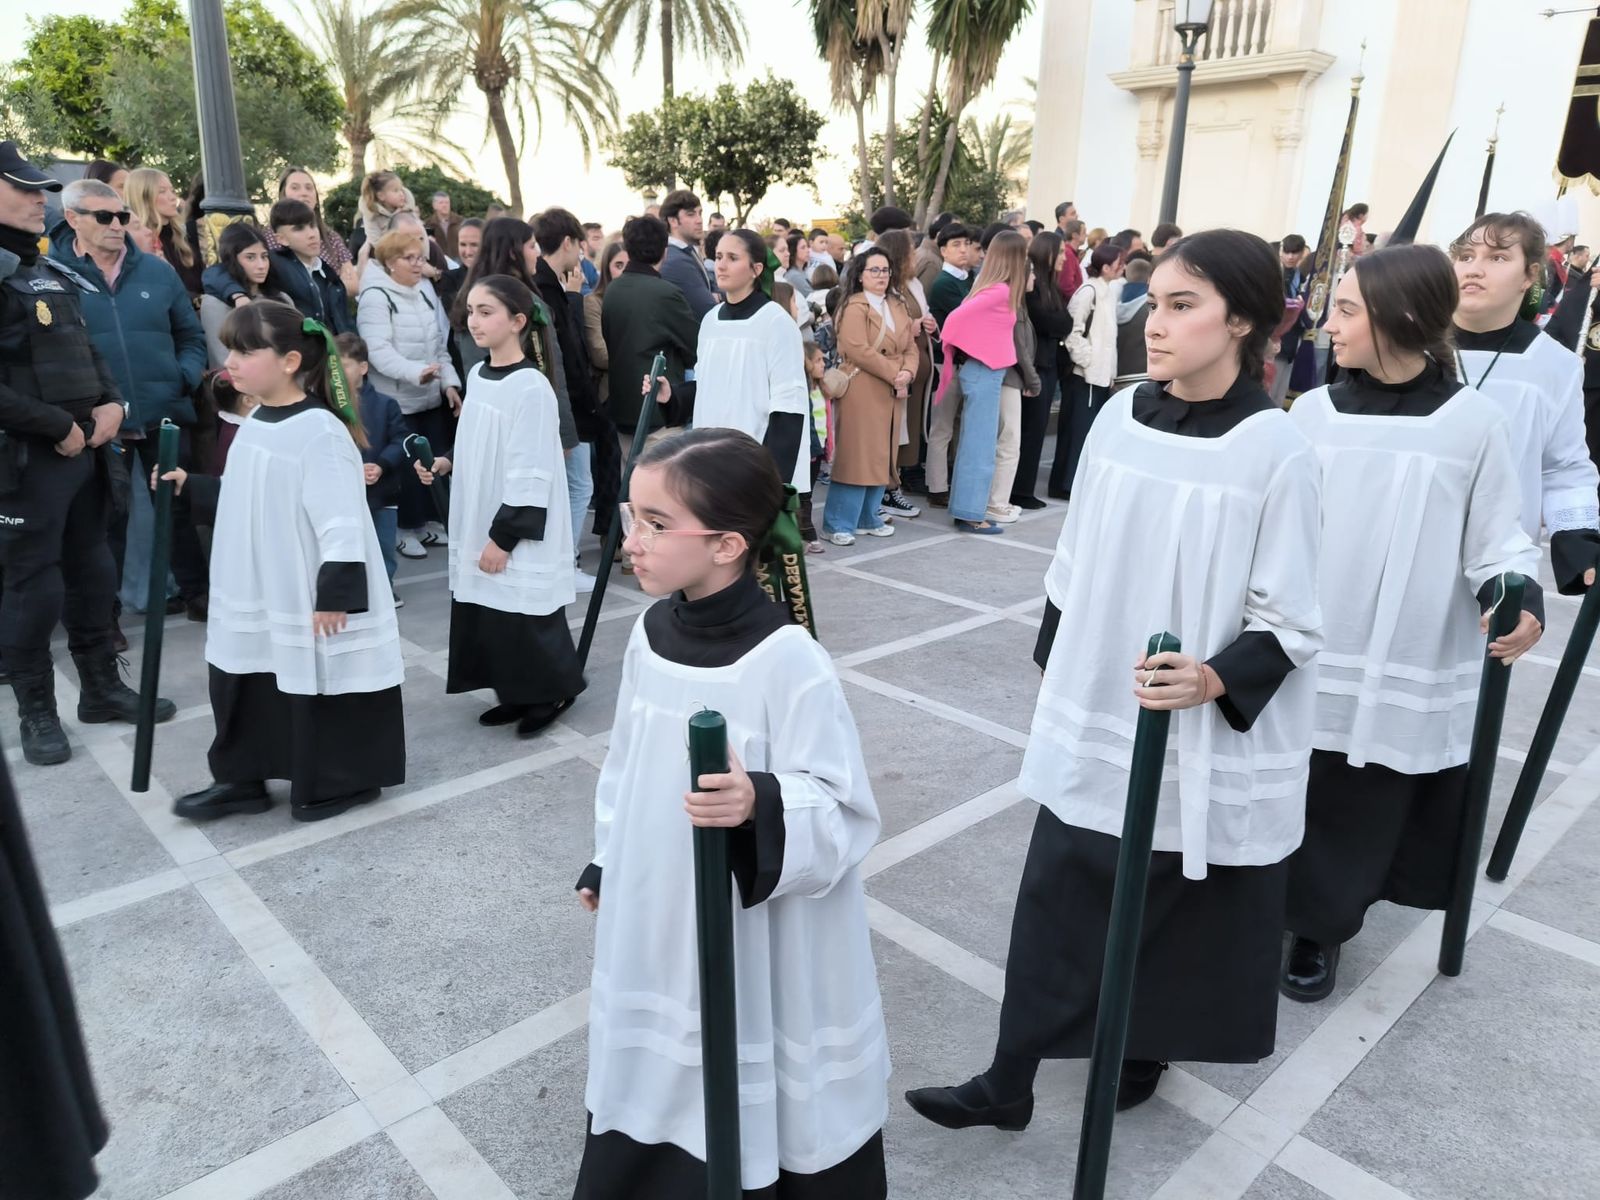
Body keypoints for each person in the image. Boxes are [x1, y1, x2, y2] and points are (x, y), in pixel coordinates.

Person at [906, 229, 1322, 1128]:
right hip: (1100, 702)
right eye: (1154, 302)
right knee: (1060, 890)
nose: (1154, 323)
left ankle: (1138, 1042)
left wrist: (1213, 679)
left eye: (1183, 306)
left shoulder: (1276, 449)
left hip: (1190, 717)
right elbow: (1077, 555)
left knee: (1169, 898)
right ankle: (1009, 1079)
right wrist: (1061, 675)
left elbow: (1292, 616)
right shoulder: (1122, 415)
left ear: (1242, 321)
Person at [572, 427, 889, 1199]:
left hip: (756, 926)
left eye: (656, 523)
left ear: (726, 545)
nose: (631, 541)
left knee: (744, 1041)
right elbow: (628, 764)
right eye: (632, 516)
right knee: (659, 1054)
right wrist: (608, 857)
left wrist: (760, 801)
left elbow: (844, 808)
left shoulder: (789, 660)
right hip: (658, 905)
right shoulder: (650, 632)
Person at [1281, 244, 1543, 1001]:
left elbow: (1497, 537)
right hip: (1310, 632)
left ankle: (1321, 927)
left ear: (1398, 318)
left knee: (1359, 793)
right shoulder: (1313, 412)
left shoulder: (1472, 422)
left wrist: (1516, 593)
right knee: (1291, 778)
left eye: (1346, 310)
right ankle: (1268, 907)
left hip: (1403, 641)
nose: (1330, 324)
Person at [162, 303, 405, 822]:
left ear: (290, 361)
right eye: (230, 350)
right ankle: (241, 777)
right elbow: (246, 493)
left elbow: (341, 520)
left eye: (246, 351)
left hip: (303, 586)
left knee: (318, 677)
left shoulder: (320, 431)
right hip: (254, 581)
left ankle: (344, 780)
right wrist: (192, 487)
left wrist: (335, 594)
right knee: (244, 671)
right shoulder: (257, 420)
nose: (231, 362)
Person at [0, 143, 172, 766]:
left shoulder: (47, 270)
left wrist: (112, 405)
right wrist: (56, 426)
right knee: (33, 592)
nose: (37, 199)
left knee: (94, 574)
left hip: (87, 455)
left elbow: (87, 352)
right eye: (22, 188)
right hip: (26, 463)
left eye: (40, 189)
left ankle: (100, 689)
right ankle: (37, 713)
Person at [414, 275, 586, 736]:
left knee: (525, 613)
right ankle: (515, 692)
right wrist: (447, 461)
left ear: (517, 321)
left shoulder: (531, 387)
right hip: (480, 512)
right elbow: (476, 436)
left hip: (514, 523)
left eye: (486, 312)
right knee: (493, 613)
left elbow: (532, 469)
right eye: (470, 311)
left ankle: (550, 693)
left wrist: (504, 537)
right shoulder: (477, 374)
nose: (474, 321)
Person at [51, 179, 211, 625]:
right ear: (73, 219)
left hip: (163, 411)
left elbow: (191, 336)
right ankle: (104, 618)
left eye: (122, 216)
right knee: (105, 522)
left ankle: (199, 595)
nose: (117, 225)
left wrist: (180, 377)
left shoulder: (158, 272)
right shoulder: (54, 277)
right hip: (99, 422)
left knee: (177, 506)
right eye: (104, 217)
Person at [1450, 212, 1600, 592]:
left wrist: (1577, 543)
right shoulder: (1408, 349)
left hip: (1501, 564)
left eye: (1497, 257)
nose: (1475, 268)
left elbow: (1564, 467)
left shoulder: (1554, 364)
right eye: (1466, 256)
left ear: (1529, 275)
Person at [673, 228, 810, 496]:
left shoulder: (776, 322)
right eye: (718, 256)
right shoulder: (711, 320)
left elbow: (788, 405)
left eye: (733, 258)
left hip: (752, 466)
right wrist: (672, 396)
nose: (721, 265)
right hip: (710, 458)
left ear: (756, 269)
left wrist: (772, 480)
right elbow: (707, 386)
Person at [356, 228, 461, 559]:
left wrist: (448, 384)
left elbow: (439, 347)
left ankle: (427, 522)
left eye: (420, 258)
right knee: (402, 467)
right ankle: (404, 529)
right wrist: (416, 372)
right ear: (390, 262)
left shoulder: (424, 293)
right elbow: (377, 351)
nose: (418, 264)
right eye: (410, 258)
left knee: (428, 463)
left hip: (428, 396)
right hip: (397, 400)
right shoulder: (376, 297)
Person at [531, 207, 609, 591]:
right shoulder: (547, 290)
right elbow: (567, 351)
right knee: (578, 486)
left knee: (570, 487)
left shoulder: (546, 286)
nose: (581, 253)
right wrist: (574, 299)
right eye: (579, 244)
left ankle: (562, 561)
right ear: (567, 242)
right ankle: (566, 562)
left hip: (566, 406)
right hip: (568, 408)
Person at [935, 229, 1028, 535]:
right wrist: (970, 349)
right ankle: (971, 516)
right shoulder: (999, 291)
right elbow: (954, 321)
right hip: (983, 373)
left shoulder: (996, 288)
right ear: (1014, 257)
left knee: (978, 445)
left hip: (986, 372)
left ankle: (968, 511)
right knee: (979, 447)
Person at [824, 247, 918, 545]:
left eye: (885, 270)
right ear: (860, 275)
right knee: (856, 456)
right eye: (874, 270)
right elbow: (857, 349)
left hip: (891, 388)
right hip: (862, 387)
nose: (881, 275)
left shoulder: (897, 304)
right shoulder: (853, 306)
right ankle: (838, 523)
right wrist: (895, 373)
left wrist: (908, 372)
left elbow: (910, 346)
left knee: (882, 455)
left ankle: (868, 517)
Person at [600, 215, 699, 461]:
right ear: (665, 251)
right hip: (658, 410)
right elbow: (695, 347)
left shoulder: (613, 290)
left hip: (623, 407)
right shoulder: (665, 293)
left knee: (631, 481)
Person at [1051, 240, 1125, 500]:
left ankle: (1073, 482)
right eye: (1119, 263)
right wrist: (1088, 360)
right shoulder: (1088, 292)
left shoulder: (1106, 291)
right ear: (1105, 267)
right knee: (1076, 430)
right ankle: (1066, 483)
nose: (1122, 267)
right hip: (1084, 374)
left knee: (1086, 431)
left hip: (1098, 375)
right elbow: (1073, 331)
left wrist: (1107, 369)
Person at [335, 333, 408, 598]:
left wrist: (381, 465)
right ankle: (357, 594)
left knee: (383, 545)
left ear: (363, 367)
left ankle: (385, 591)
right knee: (350, 546)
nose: (336, 372)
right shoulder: (328, 407)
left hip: (382, 492)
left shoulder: (386, 404)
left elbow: (400, 440)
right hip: (344, 492)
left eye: (344, 365)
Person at [873, 230, 931, 516]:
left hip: (913, 367)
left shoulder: (912, 283)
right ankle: (886, 490)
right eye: (910, 249)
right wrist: (912, 325)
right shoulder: (883, 289)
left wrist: (927, 322)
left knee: (904, 431)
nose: (914, 254)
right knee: (891, 432)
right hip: (893, 370)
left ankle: (892, 486)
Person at [923, 223, 978, 507]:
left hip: (964, 362)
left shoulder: (969, 278)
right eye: (956, 245)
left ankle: (953, 481)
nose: (963, 249)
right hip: (947, 363)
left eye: (966, 243)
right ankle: (936, 487)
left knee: (957, 427)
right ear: (943, 251)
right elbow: (971, 317)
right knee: (942, 427)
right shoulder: (944, 283)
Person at [1016, 231, 1071, 510]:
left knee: (1037, 430)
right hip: (1033, 365)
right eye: (1059, 252)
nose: (1064, 258)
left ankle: (1024, 488)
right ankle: (1019, 490)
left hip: (1049, 364)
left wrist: (1058, 324)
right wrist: (1058, 324)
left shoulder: (1051, 285)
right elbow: (1046, 322)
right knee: (1029, 429)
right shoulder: (1032, 282)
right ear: (1047, 252)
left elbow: (1066, 322)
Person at [200, 224, 291, 369]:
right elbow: (223, 360)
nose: (261, 265)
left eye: (264, 256)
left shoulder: (282, 298)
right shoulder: (215, 304)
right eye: (250, 257)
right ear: (232, 259)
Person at [266, 167, 358, 295]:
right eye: (295, 188)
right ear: (283, 194)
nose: (304, 193)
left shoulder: (331, 237)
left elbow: (353, 285)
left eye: (309, 188)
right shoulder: (270, 237)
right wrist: (335, 285)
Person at [268, 200, 353, 334]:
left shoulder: (328, 274)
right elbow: (233, 272)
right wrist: (237, 295)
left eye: (313, 226)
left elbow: (344, 322)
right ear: (281, 239)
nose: (312, 234)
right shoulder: (272, 264)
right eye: (299, 228)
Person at [125, 167, 202, 299]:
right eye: (162, 191)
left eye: (172, 191)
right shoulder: (137, 243)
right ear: (144, 198)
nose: (173, 197)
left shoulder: (180, 235)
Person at [659, 189, 716, 319]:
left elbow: (712, 284)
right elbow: (707, 309)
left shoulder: (686, 252)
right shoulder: (676, 260)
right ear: (673, 221)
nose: (699, 220)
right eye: (691, 215)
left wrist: (718, 294)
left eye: (700, 213)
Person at [584, 240, 627, 407]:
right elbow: (600, 355)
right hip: (611, 392)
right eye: (619, 265)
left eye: (629, 265)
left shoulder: (644, 299)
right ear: (606, 268)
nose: (624, 272)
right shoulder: (593, 302)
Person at [1114, 256, 1152, 385]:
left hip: (1117, 376)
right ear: (1149, 278)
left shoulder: (1110, 302)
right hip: (1146, 375)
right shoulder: (1153, 307)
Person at [425, 191, 464, 259]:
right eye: (441, 203)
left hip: (459, 259)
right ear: (434, 205)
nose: (445, 205)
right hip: (440, 259)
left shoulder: (460, 221)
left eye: (447, 202)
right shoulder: (429, 223)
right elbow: (429, 244)